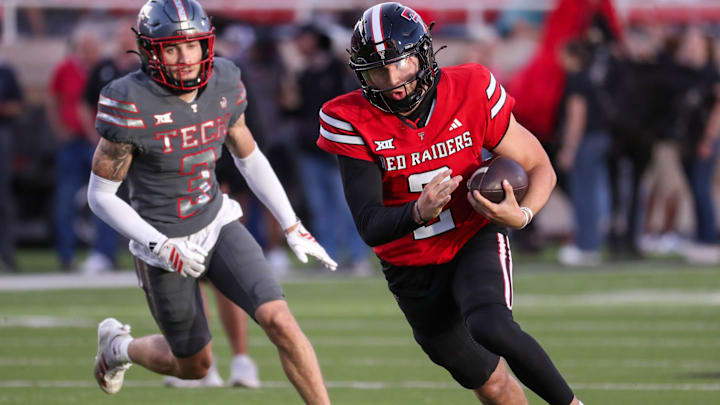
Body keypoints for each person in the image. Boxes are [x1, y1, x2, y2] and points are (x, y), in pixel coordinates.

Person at [317, 3, 582, 405]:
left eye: (401, 65)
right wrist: (418, 211)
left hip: (472, 234)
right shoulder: (349, 117)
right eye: (377, 71)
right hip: (410, 266)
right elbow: (370, 224)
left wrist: (522, 214)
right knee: (490, 383)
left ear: (423, 55)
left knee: (491, 324)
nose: (393, 82)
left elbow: (539, 164)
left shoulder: (470, 87)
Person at [87, 1, 335, 404]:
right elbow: (99, 196)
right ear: (151, 51)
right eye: (172, 48)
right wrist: (160, 245)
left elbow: (248, 155)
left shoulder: (224, 80)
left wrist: (291, 223)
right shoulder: (129, 100)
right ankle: (119, 348)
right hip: (161, 240)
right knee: (194, 366)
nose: (185, 58)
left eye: (193, 45)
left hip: (215, 221)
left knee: (280, 319)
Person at [284, 24, 370, 275]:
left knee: (345, 205)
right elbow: (293, 109)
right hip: (310, 149)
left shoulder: (338, 70)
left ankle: (357, 257)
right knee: (320, 208)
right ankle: (328, 256)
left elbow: (355, 96)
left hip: (337, 149)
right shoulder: (302, 74)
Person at [46, 26, 119, 271]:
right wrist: (59, 129)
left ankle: (104, 254)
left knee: (104, 199)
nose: (89, 53)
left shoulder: (106, 70)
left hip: (100, 142)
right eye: (85, 48)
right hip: (74, 141)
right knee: (66, 199)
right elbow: (55, 99)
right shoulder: (65, 69)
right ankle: (66, 255)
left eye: (93, 48)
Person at [555, 39, 612, 266]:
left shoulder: (577, 80)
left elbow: (576, 117)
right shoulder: (590, 77)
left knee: (583, 194)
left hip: (586, 141)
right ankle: (593, 242)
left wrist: (569, 149)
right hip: (599, 138)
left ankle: (587, 246)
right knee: (594, 192)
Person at [0, 58, 23, 272]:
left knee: (4, 199)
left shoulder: (6, 71)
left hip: (2, 137)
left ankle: (7, 254)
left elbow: (17, 107)